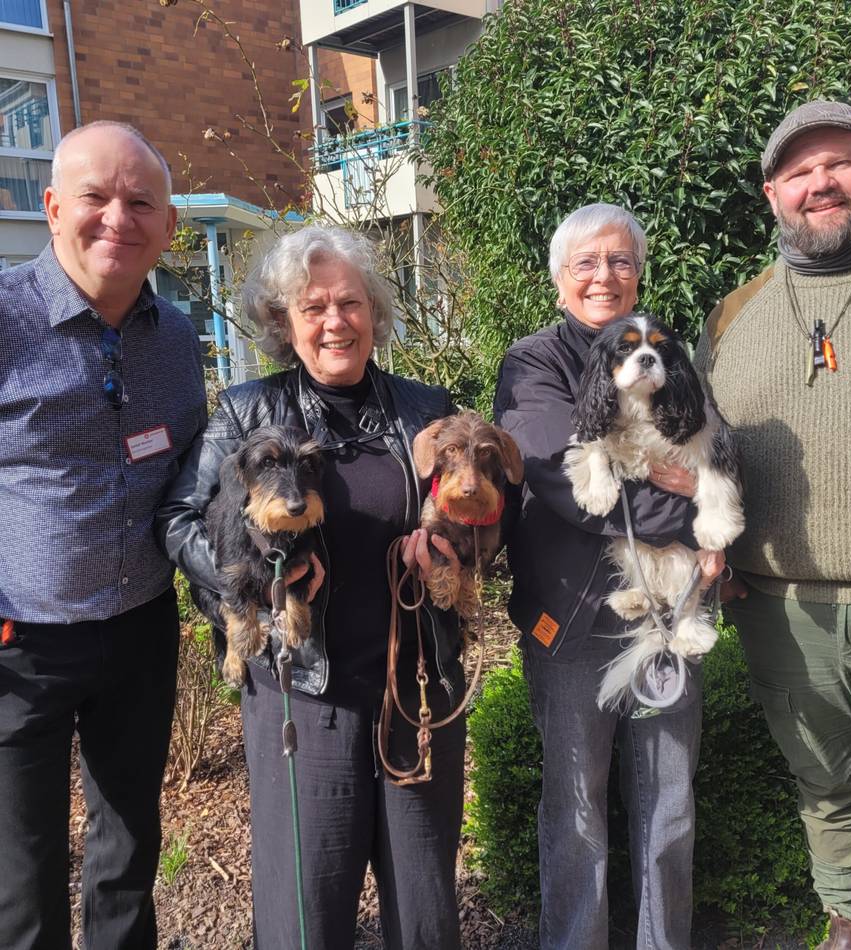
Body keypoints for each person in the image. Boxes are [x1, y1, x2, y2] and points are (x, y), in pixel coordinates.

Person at [157, 224, 466, 949]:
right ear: (282, 322)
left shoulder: (426, 409)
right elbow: (177, 520)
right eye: (314, 306)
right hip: (302, 686)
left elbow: (473, 516)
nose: (336, 322)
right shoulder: (246, 412)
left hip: (411, 685)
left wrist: (449, 556)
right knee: (306, 907)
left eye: (350, 303)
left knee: (424, 906)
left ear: (375, 313)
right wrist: (263, 585)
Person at [695, 100, 851, 950]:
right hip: (779, 612)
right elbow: (701, 453)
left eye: (837, 163)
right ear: (772, 193)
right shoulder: (734, 316)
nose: (820, 184)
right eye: (799, 172)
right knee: (825, 790)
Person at [494, 202, 724, 950]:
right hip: (573, 624)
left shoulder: (668, 350)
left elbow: (725, 454)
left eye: (620, 260)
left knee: (669, 806)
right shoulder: (534, 364)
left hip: (668, 618)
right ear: (560, 280)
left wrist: (706, 485)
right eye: (586, 263)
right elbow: (566, 480)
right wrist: (691, 505)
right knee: (577, 812)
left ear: (640, 273)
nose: (604, 276)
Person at [0, 121, 206, 949]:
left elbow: (192, 463)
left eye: (140, 202)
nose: (116, 218)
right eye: (95, 197)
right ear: (53, 208)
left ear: (168, 227)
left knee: (128, 850)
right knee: (25, 869)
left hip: (140, 632)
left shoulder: (181, 337)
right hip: (23, 642)